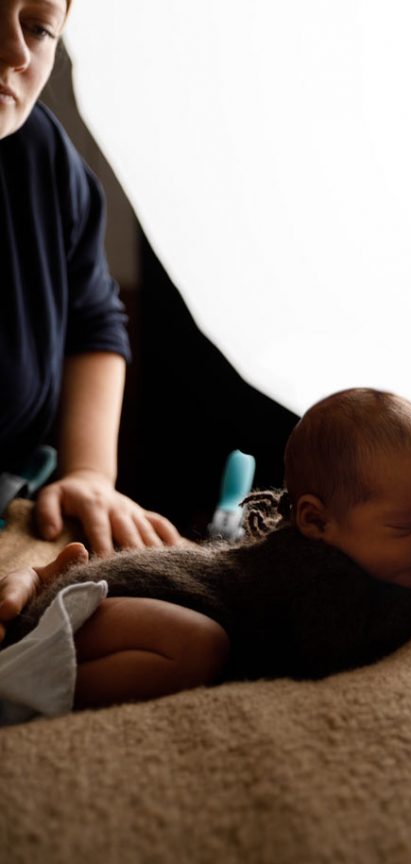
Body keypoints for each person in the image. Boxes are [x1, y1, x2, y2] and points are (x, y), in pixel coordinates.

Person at [0, 388, 411, 713]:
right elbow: (329, 648)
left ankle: (39, 603)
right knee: (198, 645)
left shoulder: (342, 546)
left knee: (203, 639)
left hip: (113, 598)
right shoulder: (316, 575)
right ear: (317, 521)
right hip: (108, 604)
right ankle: (29, 683)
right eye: (406, 525)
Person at [0, 0, 179, 554]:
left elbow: (92, 319)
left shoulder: (44, 157)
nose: (15, 52)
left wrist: (90, 475)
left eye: (38, 27)